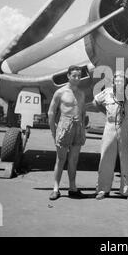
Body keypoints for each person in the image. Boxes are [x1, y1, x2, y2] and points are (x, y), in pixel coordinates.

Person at [93, 71, 128, 201]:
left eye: (122, 79)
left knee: (126, 160)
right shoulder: (107, 92)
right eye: (117, 79)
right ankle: (103, 190)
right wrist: (104, 113)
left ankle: (126, 191)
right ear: (113, 81)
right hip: (110, 127)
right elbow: (95, 102)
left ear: (126, 82)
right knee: (105, 158)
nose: (119, 82)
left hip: (126, 128)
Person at [47, 65, 87, 200]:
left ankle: (72, 187)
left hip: (78, 127)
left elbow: (83, 112)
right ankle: (56, 189)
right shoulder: (60, 92)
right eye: (74, 75)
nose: (77, 78)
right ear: (68, 76)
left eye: (79, 76)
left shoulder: (81, 93)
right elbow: (51, 113)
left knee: (73, 160)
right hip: (64, 126)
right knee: (61, 159)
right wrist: (53, 131)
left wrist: (83, 129)